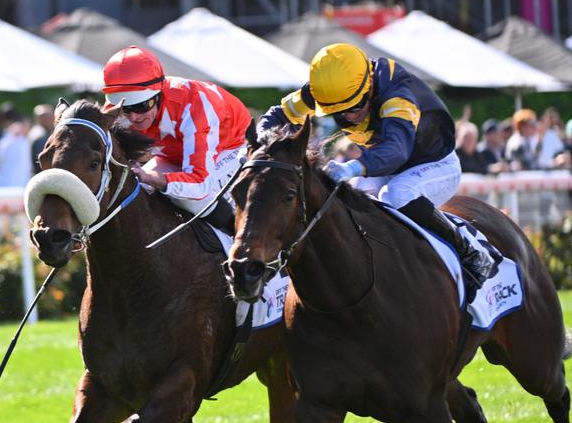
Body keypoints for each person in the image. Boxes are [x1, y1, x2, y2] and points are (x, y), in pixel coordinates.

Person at [258, 43, 494, 301]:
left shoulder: (397, 93)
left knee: (395, 195)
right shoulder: (327, 90)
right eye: (338, 112)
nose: (349, 116)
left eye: (356, 106)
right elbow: (277, 115)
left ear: (369, 84)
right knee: (346, 199)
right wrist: (258, 144)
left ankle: (469, 251)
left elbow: (397, 149)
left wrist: (352, 166)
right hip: (387, 166)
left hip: (434, 164)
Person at [101, 46, 254, 231]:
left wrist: (152, 177)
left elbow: (200, 184)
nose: (133, 117)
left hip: (231, 148)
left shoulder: (195, 106)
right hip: (175, 155)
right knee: (134, 190)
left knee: (189, 199)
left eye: (142, 105)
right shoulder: (115, 109)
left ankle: (239, 238)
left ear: (159, 93)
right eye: (126, 108)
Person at [28, 104, 55, 174]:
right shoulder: (36, 138)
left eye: (46, 116)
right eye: (40, 117)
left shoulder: (62, 134)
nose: (44, 120)